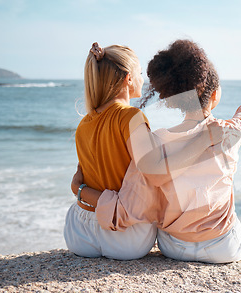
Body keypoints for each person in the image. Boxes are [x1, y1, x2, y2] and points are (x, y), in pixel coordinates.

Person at [74, 39, 241, 263]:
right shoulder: (228, 132)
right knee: (231, 218)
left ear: (174, 100)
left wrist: (82, 190)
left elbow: (142, 188)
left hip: (173, 245)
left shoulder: (156, 140)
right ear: (215, 95)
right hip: (222, 247)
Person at [63, 42, 158, 260]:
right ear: (129, 78)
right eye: (141, 73)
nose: (144, 79)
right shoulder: (131, 116)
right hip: (124, 237)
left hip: (79, 232)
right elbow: (153, 175)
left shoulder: (83, 124)